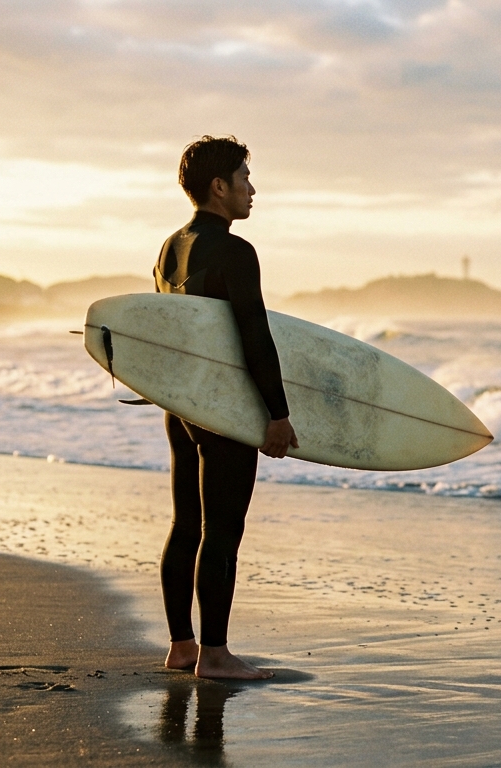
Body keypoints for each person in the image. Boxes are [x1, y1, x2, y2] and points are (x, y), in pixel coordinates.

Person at [154, 135, 298, 680]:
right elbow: (253, 336)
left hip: (180, 405)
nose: (252, 189)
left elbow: (171, 335)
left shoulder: (169, 248)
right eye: (244, 178)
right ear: (219, 187)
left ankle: (183, 646)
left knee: (186, 523)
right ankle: (215, 655)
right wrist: (277, 414)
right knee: (224, 530)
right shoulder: (236, 252)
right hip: (225, 408)